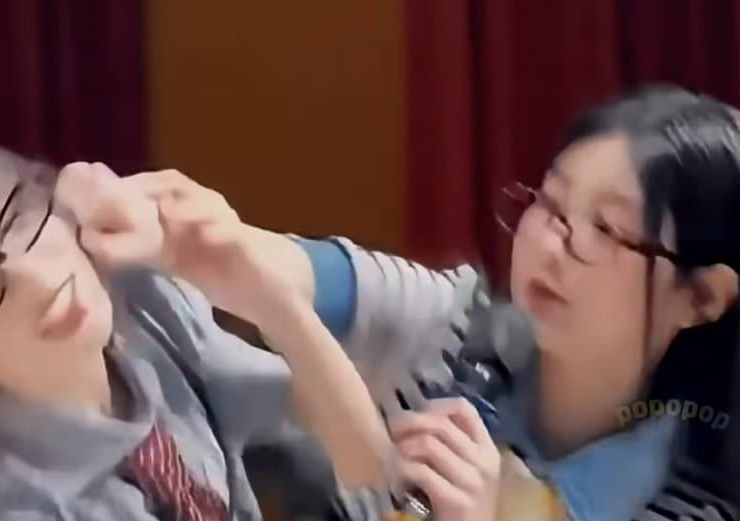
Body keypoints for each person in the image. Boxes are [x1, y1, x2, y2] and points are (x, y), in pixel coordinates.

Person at [188, 85, 740, 520]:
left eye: (605, 228)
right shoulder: (453, 328)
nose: (551, 246)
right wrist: (209, 239)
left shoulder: (693, 504)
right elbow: (265, 263)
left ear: (702, 297)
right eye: (552, 204)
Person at [0, 127, 407, 521]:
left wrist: (266, 297)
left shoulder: (141, 309)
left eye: (12, 217)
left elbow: (349, 456)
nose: (41, 281)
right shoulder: (17, 507)